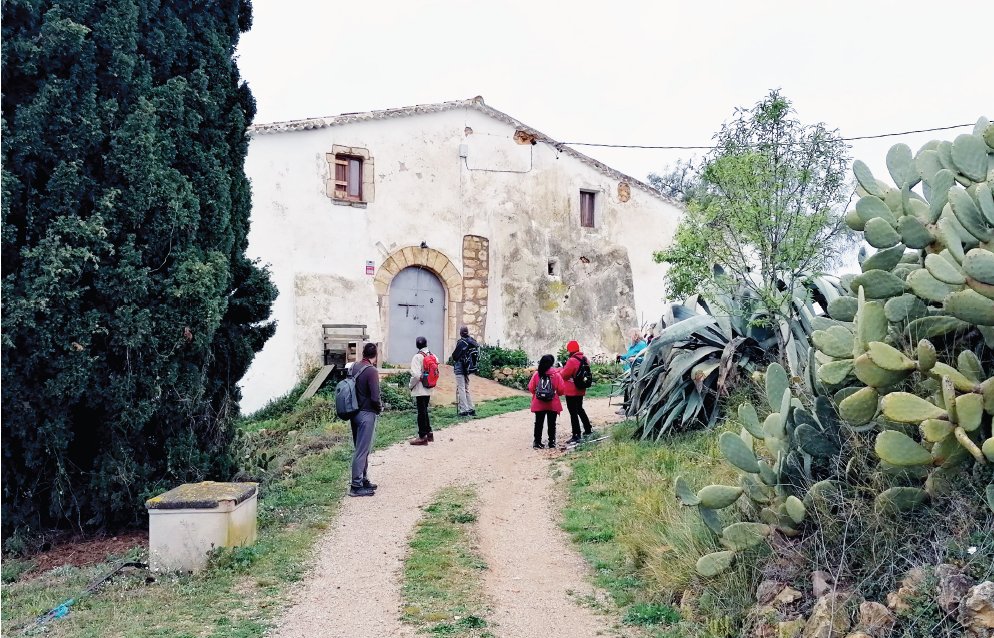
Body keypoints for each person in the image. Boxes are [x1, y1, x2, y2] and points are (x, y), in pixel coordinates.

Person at [349, 343, 381, 497]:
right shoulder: (372, 371)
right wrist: (379, 408)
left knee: (360, 448)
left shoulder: (354, 367)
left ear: (363, 353)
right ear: (376, 355)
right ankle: (356, 485)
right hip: (367, 414)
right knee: (362, 450)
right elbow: (375, 397)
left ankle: (363, 479)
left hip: (354, 413)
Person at [528, 354, 565, 449]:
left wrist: (537, 394)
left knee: (538, 423)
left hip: (539, 403)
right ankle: (551, 442)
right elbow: (561, 390)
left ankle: (537, 442)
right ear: (551, 363)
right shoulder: (556, 375)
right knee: (552, 423)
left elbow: (531, 388)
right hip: (552, 403)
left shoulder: (537, 374)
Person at [560, 340, 593, 443]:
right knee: (580, 409)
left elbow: (564, 375)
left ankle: (576, 434)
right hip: (581, 388)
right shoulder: (585, 359)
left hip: (571, 391)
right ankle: (588, 429)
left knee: (573, 412)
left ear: (569, 350)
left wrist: (561, 369)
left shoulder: (572, 361)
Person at [408, 336, 434, 445]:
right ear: (426, 343)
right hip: (429, 386)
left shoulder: (417, 357)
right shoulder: (433, 355)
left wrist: (410, 385)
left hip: (419, 388)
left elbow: (416, 375)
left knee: (421, 412)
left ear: (417, 345)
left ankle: (422, 436)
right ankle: (429, 433)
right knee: (425, 410)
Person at [451, 326, 479, 417]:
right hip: (468, 369)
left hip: (460, 368)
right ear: (467, 332)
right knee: (466, 389)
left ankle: (464, 410)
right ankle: (471, 408)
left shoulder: (461, 342)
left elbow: (455, 356)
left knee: (461, 389)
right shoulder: (472, 341)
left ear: (461, 333)